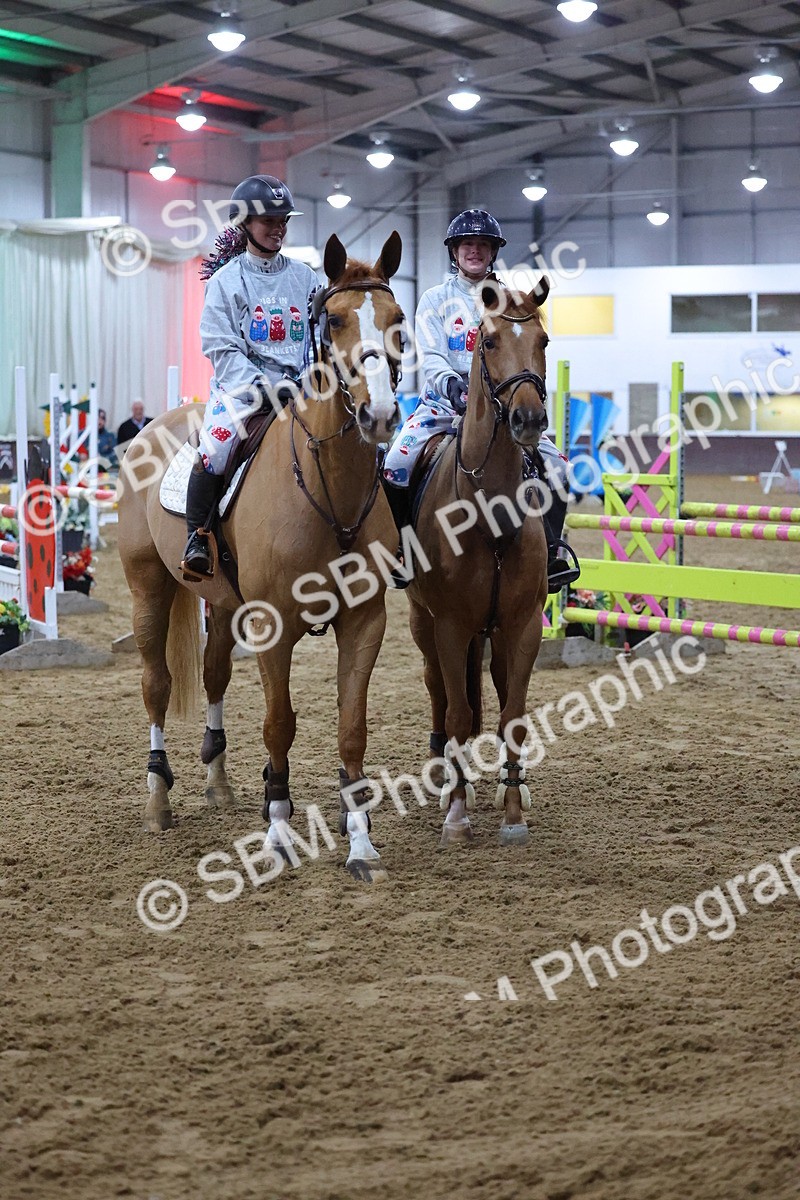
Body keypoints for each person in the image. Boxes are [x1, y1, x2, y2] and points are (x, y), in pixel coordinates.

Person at [382, 207, 579, 593]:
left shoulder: (512, 301)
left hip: (502, 412)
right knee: (395, 462)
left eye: (483, 246)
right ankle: (402, 551)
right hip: (442, 406)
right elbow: (432, 353)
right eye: (467, 245)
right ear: (454, 251)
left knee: (558, 467)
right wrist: (451, 386)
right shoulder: (435, 299)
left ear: (493, 252)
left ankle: (553, 551)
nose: (475, 251)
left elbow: (526, 355)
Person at [181, 174, 318, 577]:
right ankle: (198, 536)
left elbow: (317, 338)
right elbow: (221, 347)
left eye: (283, 221)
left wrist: (310, 378)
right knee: (214, 450)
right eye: (269, 221)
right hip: (242, 393)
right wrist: (262, 388)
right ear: (245, 224)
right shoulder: (226, 281)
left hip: (301, 389)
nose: (279, 228)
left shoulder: (306, 277)